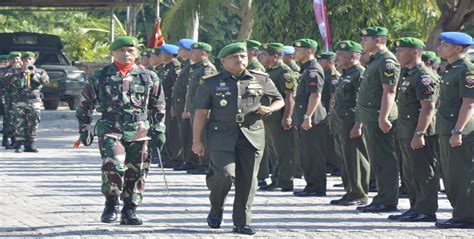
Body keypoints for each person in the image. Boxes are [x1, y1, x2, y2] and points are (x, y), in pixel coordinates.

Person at [192, 42, 284, 235]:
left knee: (248, 180)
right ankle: (216, 207)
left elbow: (279, 99)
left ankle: (242, 221)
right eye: (234, 57)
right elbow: (201, 113)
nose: (240, 59)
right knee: (224, 175)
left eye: (242, 56)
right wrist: (196, 141)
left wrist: (270, 108)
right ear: (223, 60)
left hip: (252, 133)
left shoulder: (260, 78)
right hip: (221, 135)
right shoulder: (211, 82)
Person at [76, 36, 166, 225]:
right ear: (113, 53)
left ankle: (130, 210)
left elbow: (158, 105)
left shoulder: (148, 77)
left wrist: (159, 129)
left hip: (140, 130)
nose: (126, 54)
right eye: (122, 50)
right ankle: (111, 202)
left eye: (130, 50)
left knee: (137, 170)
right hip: (111, 127)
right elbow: (85, 104)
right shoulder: (100, 76)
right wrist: (85, 128)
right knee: (114, 163)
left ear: (137, 53)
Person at [388, 37, 439, 222]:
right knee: (410, 171)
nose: (397, 54)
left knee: (423, 171)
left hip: (419, 130)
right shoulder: (407, 73)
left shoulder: (423, 75)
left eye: (401, 51)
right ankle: (415, 206)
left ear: (415, 52)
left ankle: (426, 210)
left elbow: (428, 107)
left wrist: (420, 133)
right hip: (406, 129)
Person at [356, 27, 400, 213]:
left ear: (378, 41)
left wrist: (383, 116)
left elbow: (389, 91)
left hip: (379, 117)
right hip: (371, 117)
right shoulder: (376, 60)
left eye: (365, 40)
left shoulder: (387, 61)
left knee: (385, 159)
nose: (362, 43)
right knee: (377, 159)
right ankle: (382, 196)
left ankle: (388, 200)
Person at [434, 32, 474, 229]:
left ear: (458, 48)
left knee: (461, 174)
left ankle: (466, 216)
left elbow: (468, 103)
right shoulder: (451, 69)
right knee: (450, 174)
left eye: (445, 44)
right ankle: (459, 212)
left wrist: (458, 131)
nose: (440, 47)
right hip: (446, 127)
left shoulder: (467, 69)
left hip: (459, 130)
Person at [329, 40, 370, 206]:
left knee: (355, 157)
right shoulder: (345, 73)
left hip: (352, 120)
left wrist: (358, 124)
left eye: (341, 55)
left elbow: (361, 101)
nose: (337, 57)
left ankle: (359, 193)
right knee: (344, 158)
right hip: (341, 121)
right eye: (337, 54)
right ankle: (350, 190)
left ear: (353, 56)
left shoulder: (359, 74)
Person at [258, 42, 298, 191]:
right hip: (269, 117)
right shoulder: (270, 70)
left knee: (284, 151)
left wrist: (287, 117)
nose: (262, 57)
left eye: (265, 54)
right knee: (274, 151)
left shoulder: (284, 72)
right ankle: (276, 179)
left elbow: (290, 96)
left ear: (275, 56)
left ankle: (285, 181)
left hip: (279, 117)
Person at [292, 38, 328, 197]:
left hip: (312, 118)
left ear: (309, 51)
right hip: (304, 115)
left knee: (314, 154)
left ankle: (317, 186)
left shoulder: (313, 69)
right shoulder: (305, 69)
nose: (295, 53)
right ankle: (311, 184)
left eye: (299, 50)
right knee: (306, 153)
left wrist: (308, 116)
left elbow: (315, 95)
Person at [184, 42, 217, 174]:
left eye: (195, 52)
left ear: (204, 53)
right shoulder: (197, 68)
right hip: (195, 107)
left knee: (203, 136)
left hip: (203, 108)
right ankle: (200, 162)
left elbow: (209, 90)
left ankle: (205, 164)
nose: (191, 54)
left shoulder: (207, 68)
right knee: (198, 135)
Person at [8, 51, 49, 153]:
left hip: (34, 100)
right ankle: (20, 145)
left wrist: (33, 74)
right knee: (19, 123)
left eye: (29, 59)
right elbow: (14, 84)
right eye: (25, 59)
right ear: (22, 61)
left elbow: (45, 81)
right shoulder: (15, 72)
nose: (27, 61)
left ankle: (31, 145)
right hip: (19, 101)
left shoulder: (40, 71)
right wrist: (22, 73)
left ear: (34, 60)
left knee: (33, 122)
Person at [154, 44, 183, 168]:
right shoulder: (164, 67)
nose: (160, 56)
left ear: (169, 54)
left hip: (171, 103)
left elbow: (176, 88)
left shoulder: (175, 67)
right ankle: (168, 155)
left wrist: (173, 105)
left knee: (174, 133)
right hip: (164, 102)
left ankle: (176, 157)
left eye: (162, 53)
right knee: (167, 131)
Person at [172, 38, 198, 171]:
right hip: (180, 105)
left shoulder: (191, 66)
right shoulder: (185, 64)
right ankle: (187, 159)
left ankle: (192, 160)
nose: (179, 51)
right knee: (185, 134)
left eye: (181, 49)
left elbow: (189, 89)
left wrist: (187, 108)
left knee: (190, 135)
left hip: (187, 106)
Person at [1, 52, 22, 150]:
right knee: (8, 119)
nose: (15, 61)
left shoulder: (23, 70)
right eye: (13, 59)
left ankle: (16, 140)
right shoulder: (4, 70)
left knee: (18, 119)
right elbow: (4, 79)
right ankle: (8, 138)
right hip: (8, 97)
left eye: (17, 58)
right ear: (9, 60)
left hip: (20, 98)